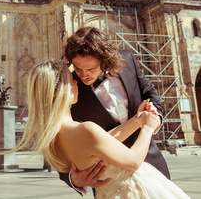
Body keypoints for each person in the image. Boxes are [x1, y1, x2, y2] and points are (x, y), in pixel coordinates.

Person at [14, 58, 190, 198]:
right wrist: (147, 128)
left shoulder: (55, 137)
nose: (77, 82)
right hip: (136, 191)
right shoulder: (86, 130)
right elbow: (134, 161)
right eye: (71, 80)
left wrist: (137, 120)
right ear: (61, 90)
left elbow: (103, 141)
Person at [60, 27, 170, 194]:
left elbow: (148, 90)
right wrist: (71, 178)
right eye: (78, 68)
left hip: (153, 167)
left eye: (91, 69)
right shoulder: (71, 89)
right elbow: (58, 138)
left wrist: (155, 117)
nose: (83, 75)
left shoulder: (127, 58)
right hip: (110, 183)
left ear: (105, 61)